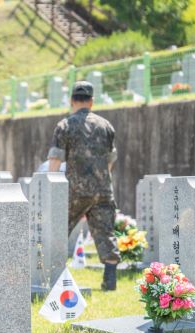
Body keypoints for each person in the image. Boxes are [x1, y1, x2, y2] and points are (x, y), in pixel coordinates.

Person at [47, 81, 120, 290]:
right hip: (103, 190)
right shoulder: (106, 125)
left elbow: (55, 160)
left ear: (72, 100)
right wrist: (101, 178)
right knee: (106, 232)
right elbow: (110, 159)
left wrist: (51, 188)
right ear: (92, 101)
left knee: (58, 229)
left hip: (75, 190)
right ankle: (110, 280)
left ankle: (52, 273)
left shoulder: (65, 125)